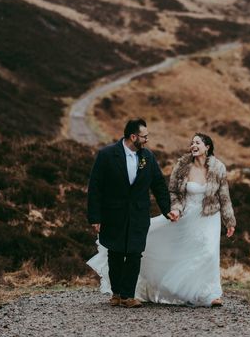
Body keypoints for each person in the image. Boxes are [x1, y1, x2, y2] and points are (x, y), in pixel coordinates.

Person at [88, 132, 236, 307]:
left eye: (197, 142)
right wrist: (175, 210)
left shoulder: (218, 168)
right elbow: (172, 192)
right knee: (189, 254)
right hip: (186, 215)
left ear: (207, 147)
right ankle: (188, 291)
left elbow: (224, 196)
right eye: (192, 143)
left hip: (209, 216)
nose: (193, 145)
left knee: (209, 254)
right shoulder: (182, 167)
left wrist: (230, 221)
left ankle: (211, 294)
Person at [87, 118, 178, 308]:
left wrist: (167, 210)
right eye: (144, 137)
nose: (147, 140)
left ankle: (128, 296)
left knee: (135, 253)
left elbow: (159, 185)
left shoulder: (148, 157)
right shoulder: (107, 155)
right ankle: (117, 293)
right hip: (113, 214)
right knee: (116, 253)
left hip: (138, 215)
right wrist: (95, 217)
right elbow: (95, 187)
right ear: (133, 136)